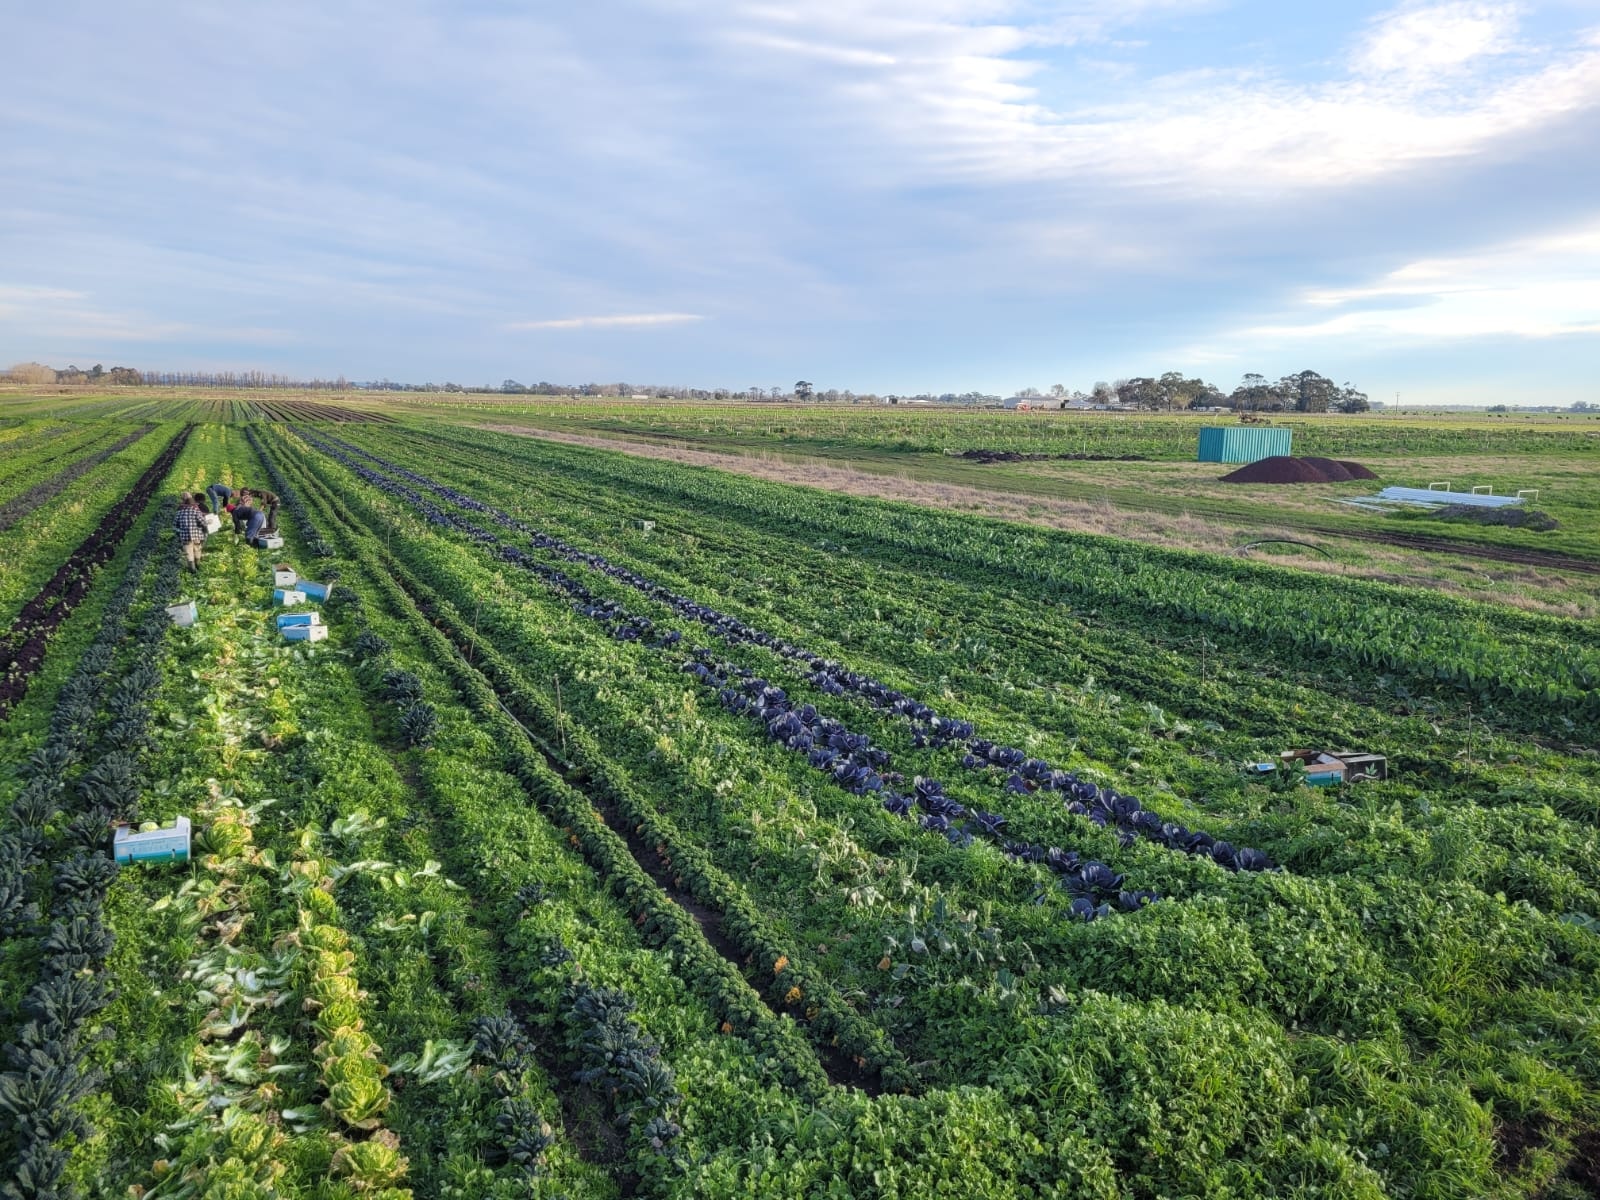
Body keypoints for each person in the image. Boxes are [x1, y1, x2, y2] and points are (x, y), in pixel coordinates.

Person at [174, 492, 207, 572]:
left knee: (188, 552)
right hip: (196, 535)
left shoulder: (179, 512)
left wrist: (179, 531)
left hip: (185, 536)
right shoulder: (196, 511)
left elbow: (175, 525)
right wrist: (205, 529)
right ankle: (198, 564)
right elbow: (202, 522)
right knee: (197, 549)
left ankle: (192, 569)